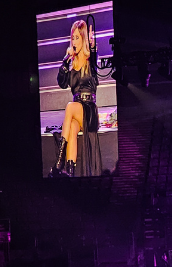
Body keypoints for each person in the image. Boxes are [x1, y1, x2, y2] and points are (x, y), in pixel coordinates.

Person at [50, 19, 102, 177]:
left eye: (77, 37)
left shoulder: (90, 61)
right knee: (72, 127)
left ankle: (58, 161)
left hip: (89, 111)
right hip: (77, 112)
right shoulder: (71, 65)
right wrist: (65, 62)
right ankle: (69, 171)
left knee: (69, 106)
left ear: (83, 39)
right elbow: (62, 83)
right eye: (73, 38)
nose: (74, 41)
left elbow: (94, 54)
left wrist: (93, 45)